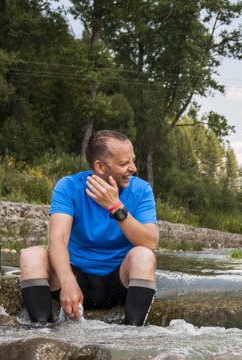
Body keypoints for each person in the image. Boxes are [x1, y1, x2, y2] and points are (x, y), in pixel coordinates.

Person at [18, 130, 158, 326]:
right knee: (31, 255)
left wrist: (116, 207)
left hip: (118, 282)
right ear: (100, 166)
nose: (133, 168)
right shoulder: (68, 186)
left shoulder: (141, 190)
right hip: (76, 279)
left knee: (144, 255)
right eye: (124, 164)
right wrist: (67, 281)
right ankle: (42, 333)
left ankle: (132, 333)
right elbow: (58, 240)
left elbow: (150, 242)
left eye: (132, 161)